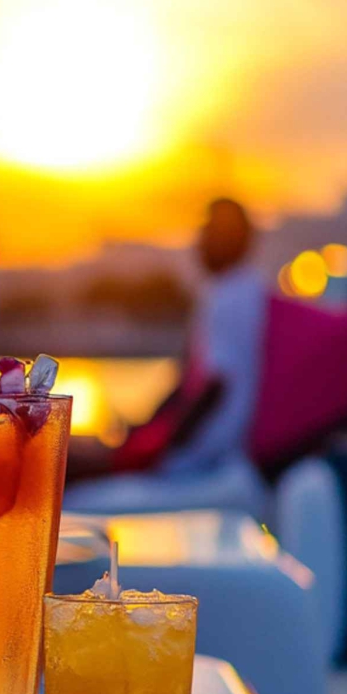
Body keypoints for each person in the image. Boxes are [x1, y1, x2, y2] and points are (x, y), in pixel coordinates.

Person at [68, 198, 269, 481]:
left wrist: (166, 445)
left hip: (195, 460)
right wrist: (146, 429)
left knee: (67, 461)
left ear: (235, 240)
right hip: (198, 453)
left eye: (210, 230)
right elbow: (192, 384)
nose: (200, 240)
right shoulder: (240, 290)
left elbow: (215, 386)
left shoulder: (229, 297)